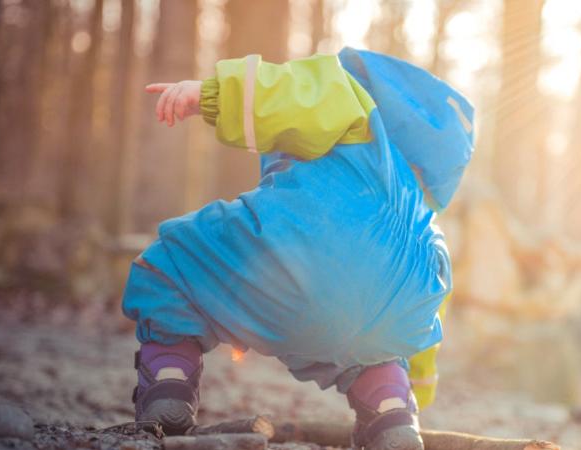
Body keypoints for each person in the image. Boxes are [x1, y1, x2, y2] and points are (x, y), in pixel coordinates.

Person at [123, 47, 474, 450]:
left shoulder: (356, 111)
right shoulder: (426, 226)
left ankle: (169, 383)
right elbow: (428, 320)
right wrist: (419, 388)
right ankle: (391, 408)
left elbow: (294, 94)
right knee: (378, 348)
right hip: (387, 321)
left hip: (296, 264)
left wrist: (208, 95)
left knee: (174, 265)